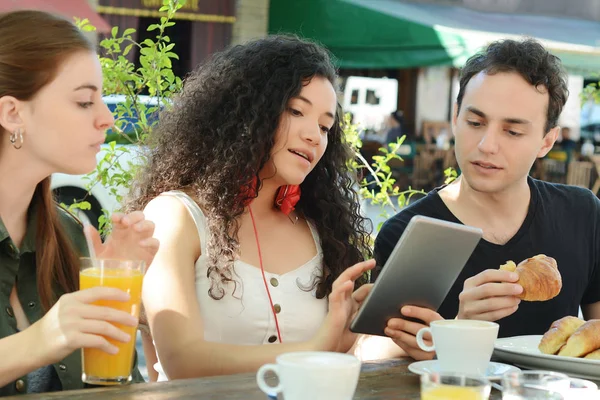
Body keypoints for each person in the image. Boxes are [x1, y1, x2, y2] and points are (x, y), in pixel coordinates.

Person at [124, 35, 376, 381]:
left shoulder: (321, 230)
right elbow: (182, 360)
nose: (314, 136)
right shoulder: (176, 216)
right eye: (296, 111)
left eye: (324, 126)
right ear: (249, 111)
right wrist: (318, 347)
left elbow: (344, 359)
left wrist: (376, 332)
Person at [373, 38, 600, 361]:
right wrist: (458, 329)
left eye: (513, 132)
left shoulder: (582, 214)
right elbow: (379, 366)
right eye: (475, 123)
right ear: (455, 118)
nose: (486, 144)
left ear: (547, 141)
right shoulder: (409, 235)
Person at [0, 10, 159, 395]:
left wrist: (112, 295)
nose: (107, 118)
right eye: (85, 101)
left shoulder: (68, 236)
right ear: (12, 113)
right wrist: (44, 337)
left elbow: (115, 388)